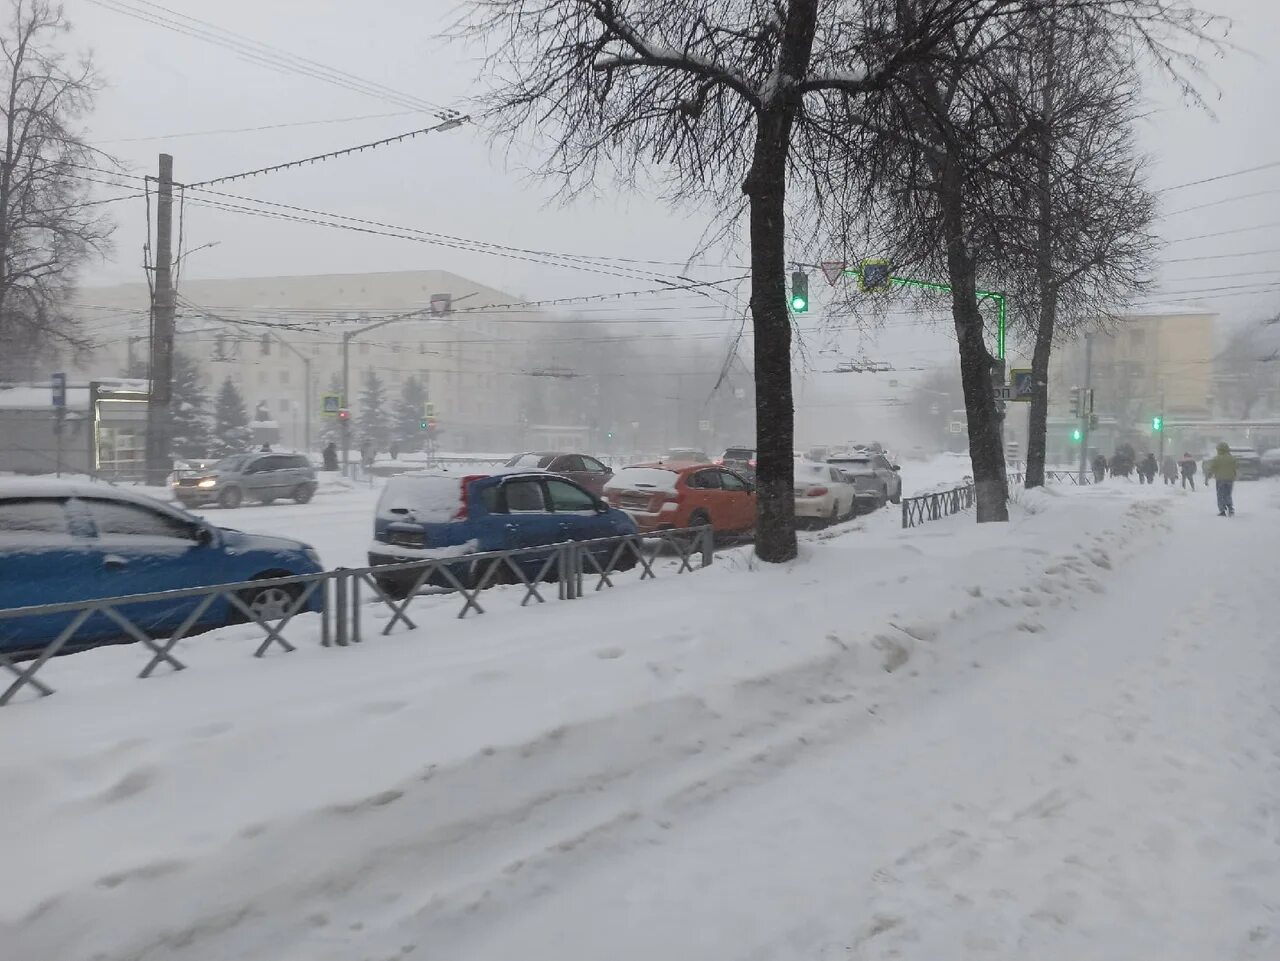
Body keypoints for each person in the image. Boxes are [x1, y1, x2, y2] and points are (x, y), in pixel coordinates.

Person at [1204, 441, 1237, 516]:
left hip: (1220, 479)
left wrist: (1207, 479)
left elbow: (1211, 469)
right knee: (1228, 494)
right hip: (1230, 479)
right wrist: (1234, 475)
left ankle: (1222, 510)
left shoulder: (1216, 459)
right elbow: (1236, 467)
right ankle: (1230, 508)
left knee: (1220, 495)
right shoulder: (1232, 458)